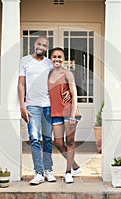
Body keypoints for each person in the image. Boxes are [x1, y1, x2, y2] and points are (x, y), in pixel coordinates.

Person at [18, 36, 57, 185]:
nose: (41, 47)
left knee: (47, 139)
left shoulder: (49, 63)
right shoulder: (25, 61)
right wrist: (22, 106)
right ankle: (39, 173)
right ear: (35, 44)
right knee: (34, 138)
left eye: (45, 45)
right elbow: (21, 85)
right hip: (32, 106)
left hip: (48, 106)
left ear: (47, 48)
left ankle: (48, 170)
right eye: (40, 44)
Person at [48, 47, 82, 183]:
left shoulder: (67, 73)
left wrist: (73, 115)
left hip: (69, 112)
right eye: (54, 56)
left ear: (63, 59)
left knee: (69, 142)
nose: (57, 59)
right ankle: (75, 165)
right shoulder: (48, 74)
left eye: (59, 57)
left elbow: (74, 94)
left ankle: (68, 172)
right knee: (58, 142)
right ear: (51, 59)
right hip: (55, 112)